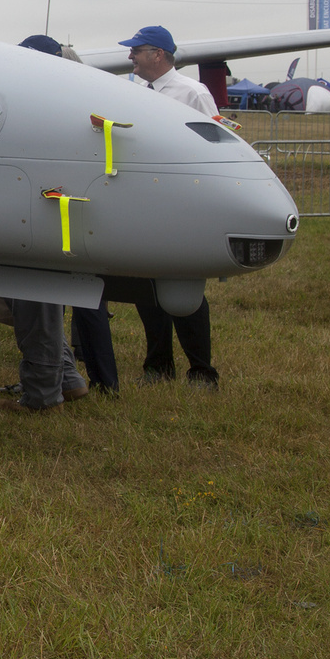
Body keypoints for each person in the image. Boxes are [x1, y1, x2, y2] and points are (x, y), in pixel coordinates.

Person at [17, 34, 121, 394]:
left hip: (49, 212)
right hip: (69, 212)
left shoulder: (49, 99)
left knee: (36, 299)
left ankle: (44, 389)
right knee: (73, 301)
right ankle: (73, 376)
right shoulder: (82, 93)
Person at [119, 25, 220, 388]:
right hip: (144, 200)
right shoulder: (132, 90)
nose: (130, 56)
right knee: (146, 288)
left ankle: (202, 370)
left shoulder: (193, 93)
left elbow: (215, 143)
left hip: (182, 203)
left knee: (183, 287)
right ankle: (158, 365)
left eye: (136, 50)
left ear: (158, 54)